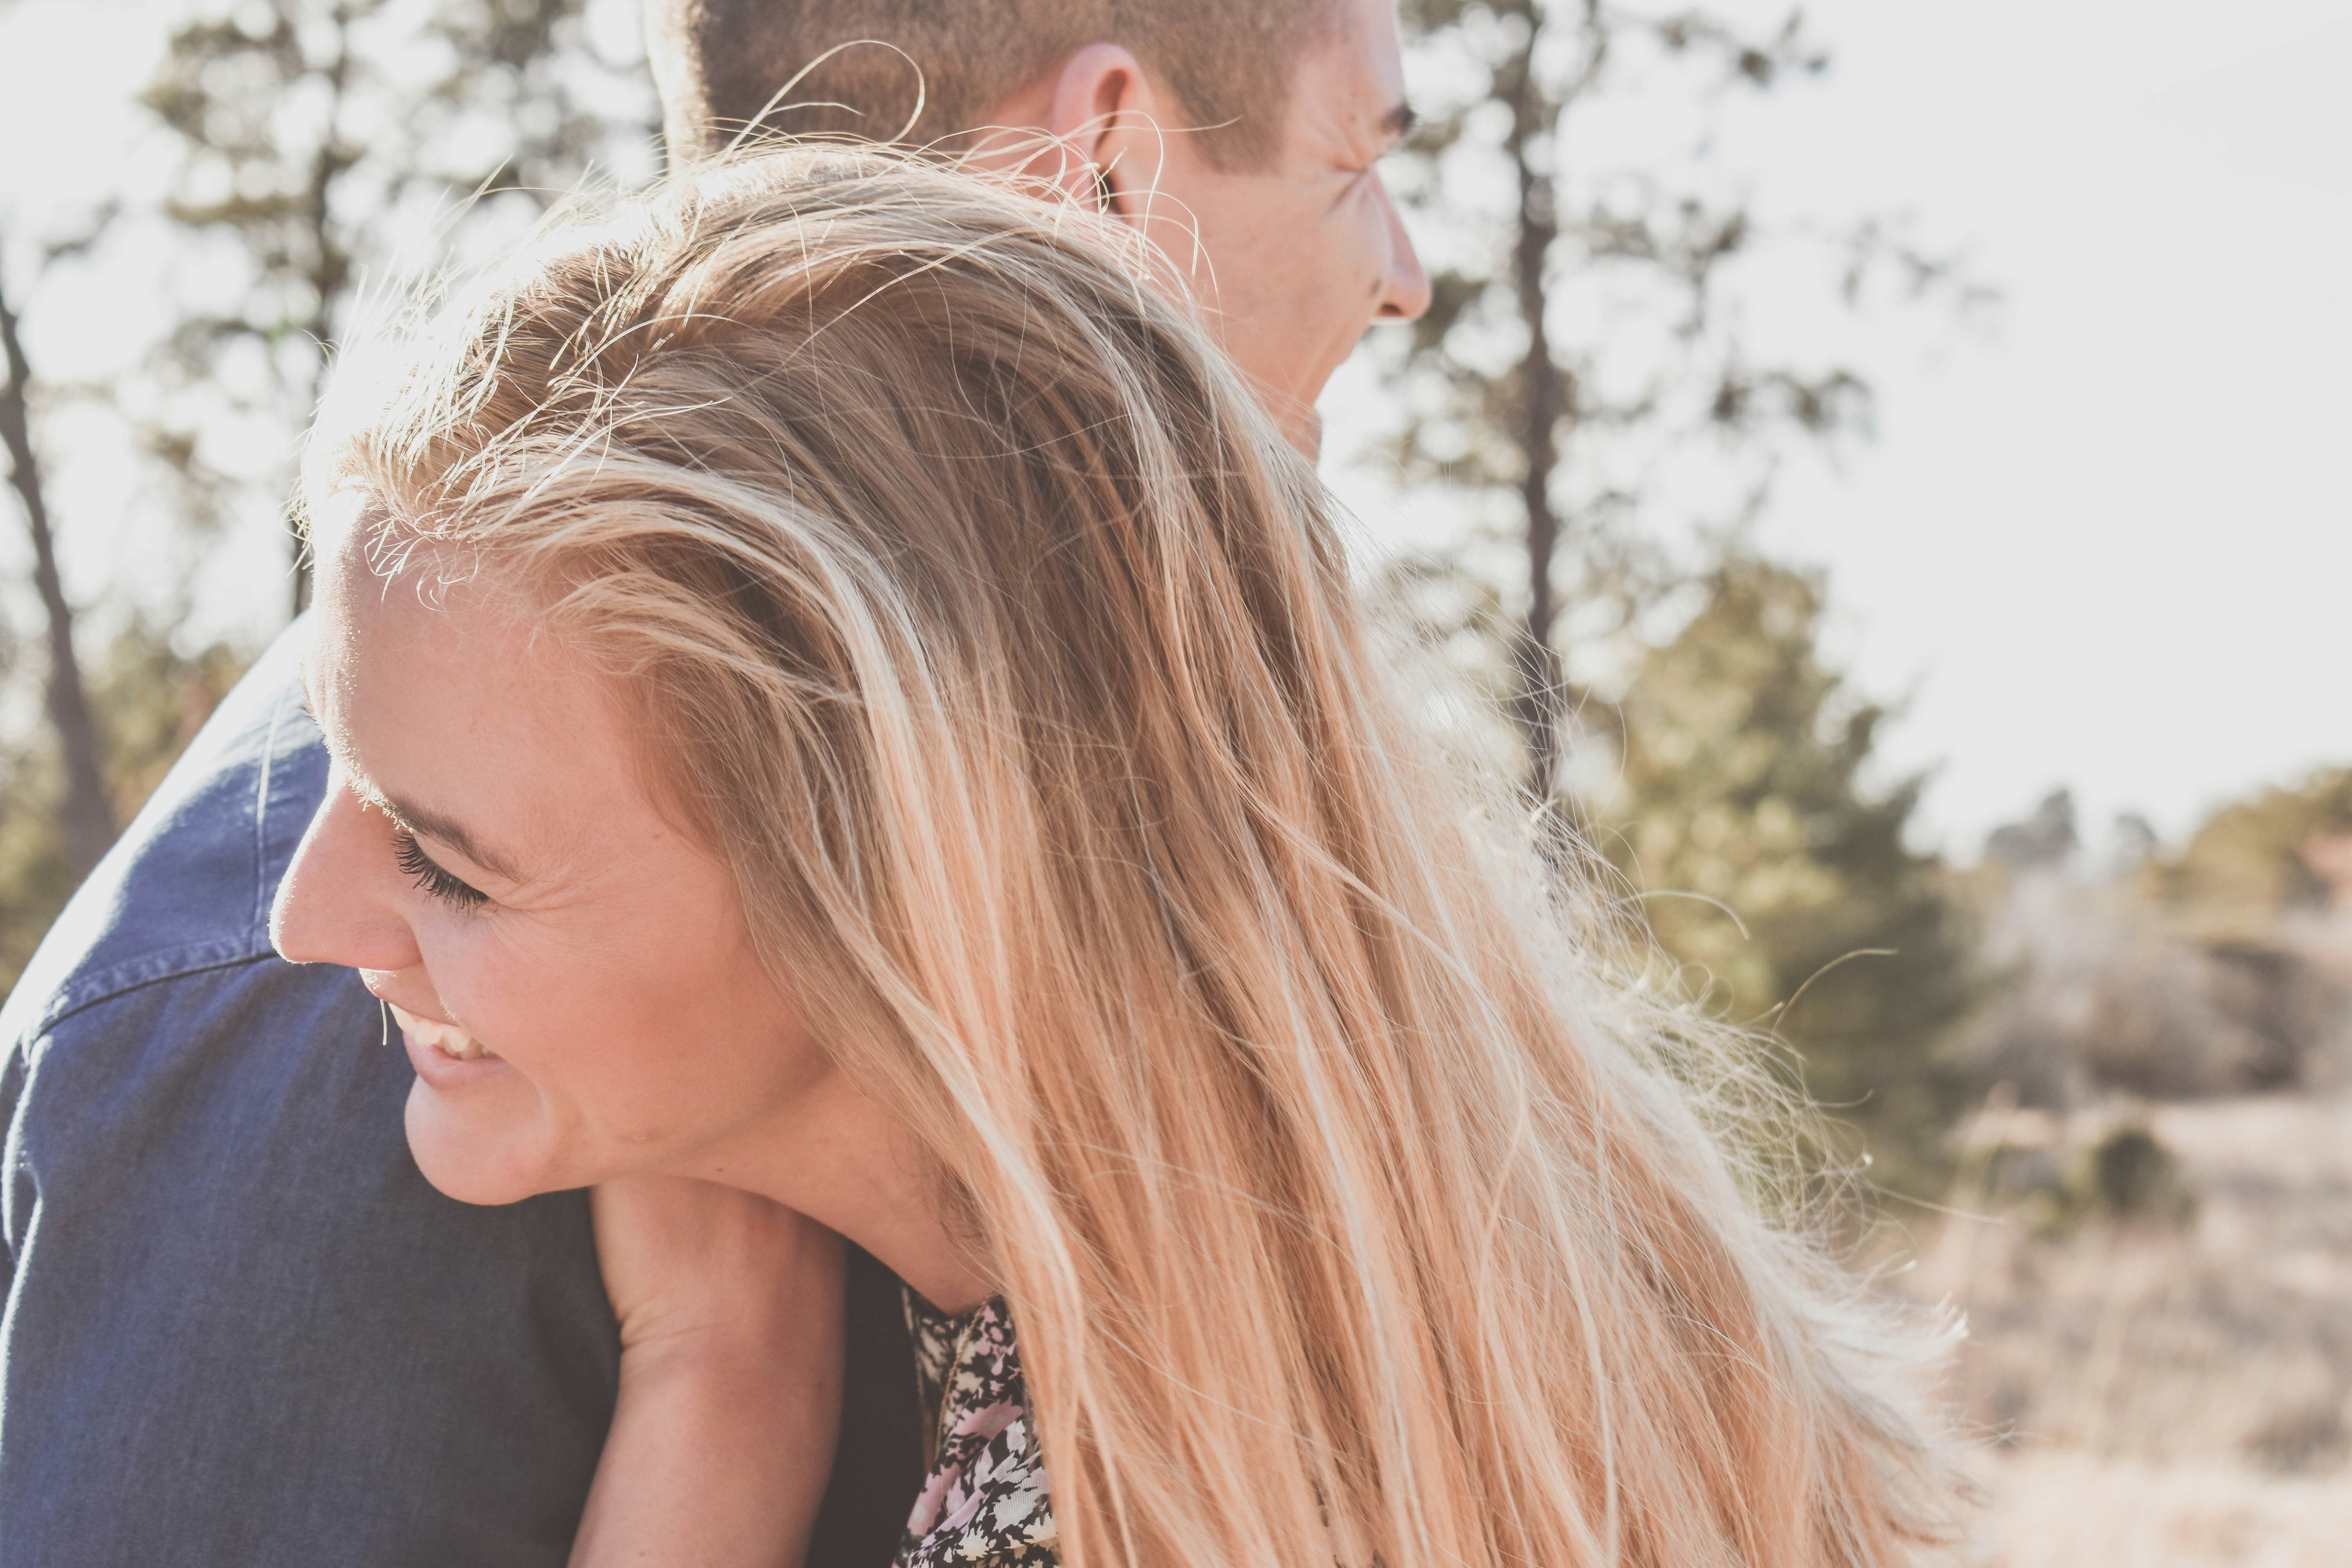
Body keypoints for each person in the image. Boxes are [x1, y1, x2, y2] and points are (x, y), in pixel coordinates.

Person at [275, 143, 1967, 1568]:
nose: (303, 917)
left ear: (896, 890)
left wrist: (714, 1403)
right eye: (342, 785)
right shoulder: (1494, 1336)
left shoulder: (1104, 1503)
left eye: (450, 861)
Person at [0, 2, 1427, 1561]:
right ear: (1094, 165)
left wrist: (720, 1394)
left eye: (443, 856)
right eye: (1353, 159)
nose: (1404, 272)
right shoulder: (355, 1035)